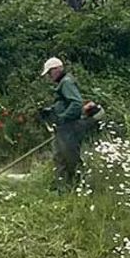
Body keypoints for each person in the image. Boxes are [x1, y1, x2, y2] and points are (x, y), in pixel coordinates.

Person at [41, 57, 98, 188]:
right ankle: (62, 188)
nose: (49, 76)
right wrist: (51, 110)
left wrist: (63, 117)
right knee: (60, 157)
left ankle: (80, 187)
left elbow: (76, 103)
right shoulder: (65, 83)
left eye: (50, 73)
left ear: (57, 69)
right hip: (65, 128)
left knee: (70, 159)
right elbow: (66, 103)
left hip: (70, 127)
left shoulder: (66, 82)